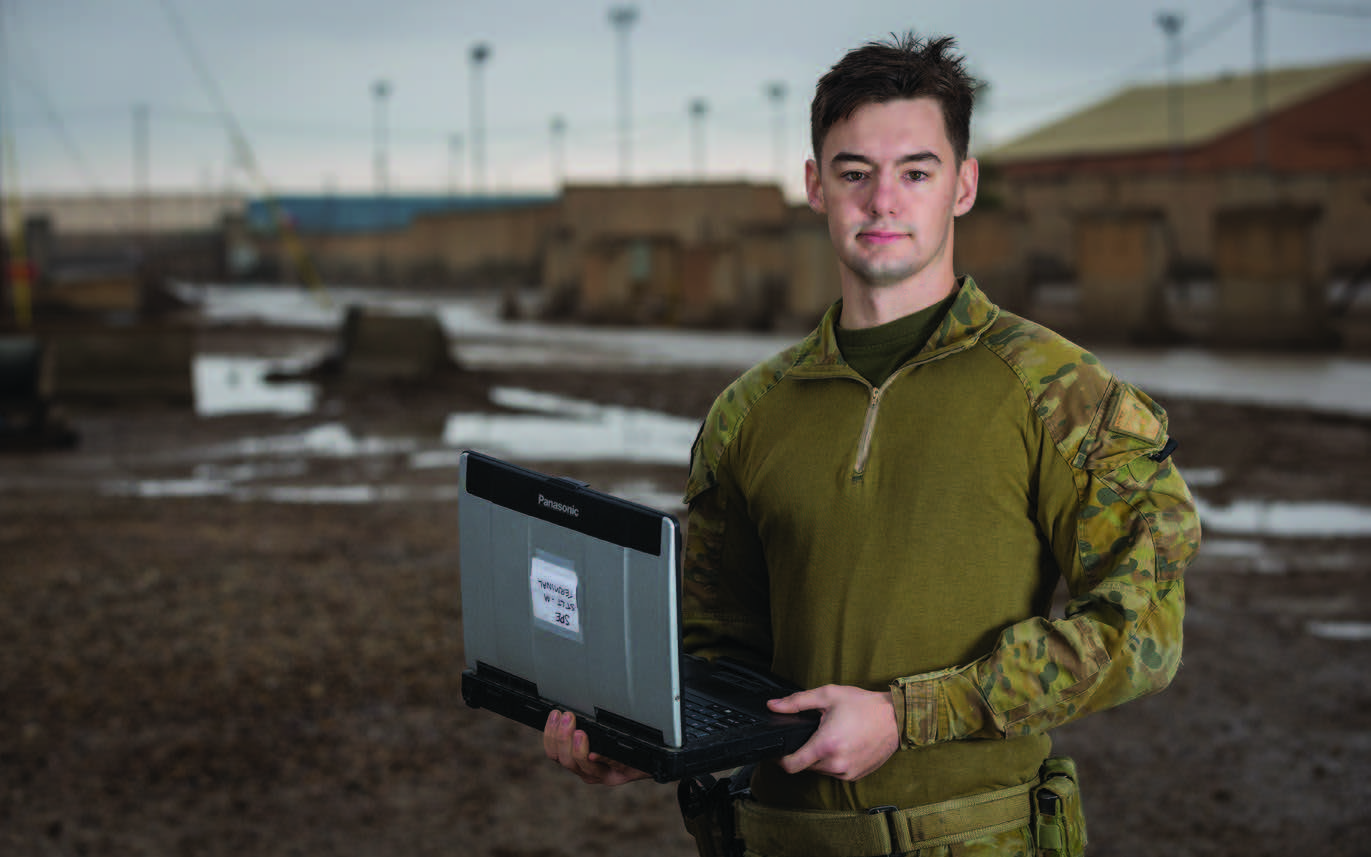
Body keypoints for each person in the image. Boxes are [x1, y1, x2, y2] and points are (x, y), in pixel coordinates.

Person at [545, 31, 1201, 857]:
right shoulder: (747, 412)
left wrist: (909, 714)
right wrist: (641, 734)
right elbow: (720, 649)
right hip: (775, 838)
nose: (882, 201)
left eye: (915, 172)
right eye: (854, 172)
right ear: (816, 186)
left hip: (977, 839)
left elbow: (1141, 627)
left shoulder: (1058, 391)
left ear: (962, 186)